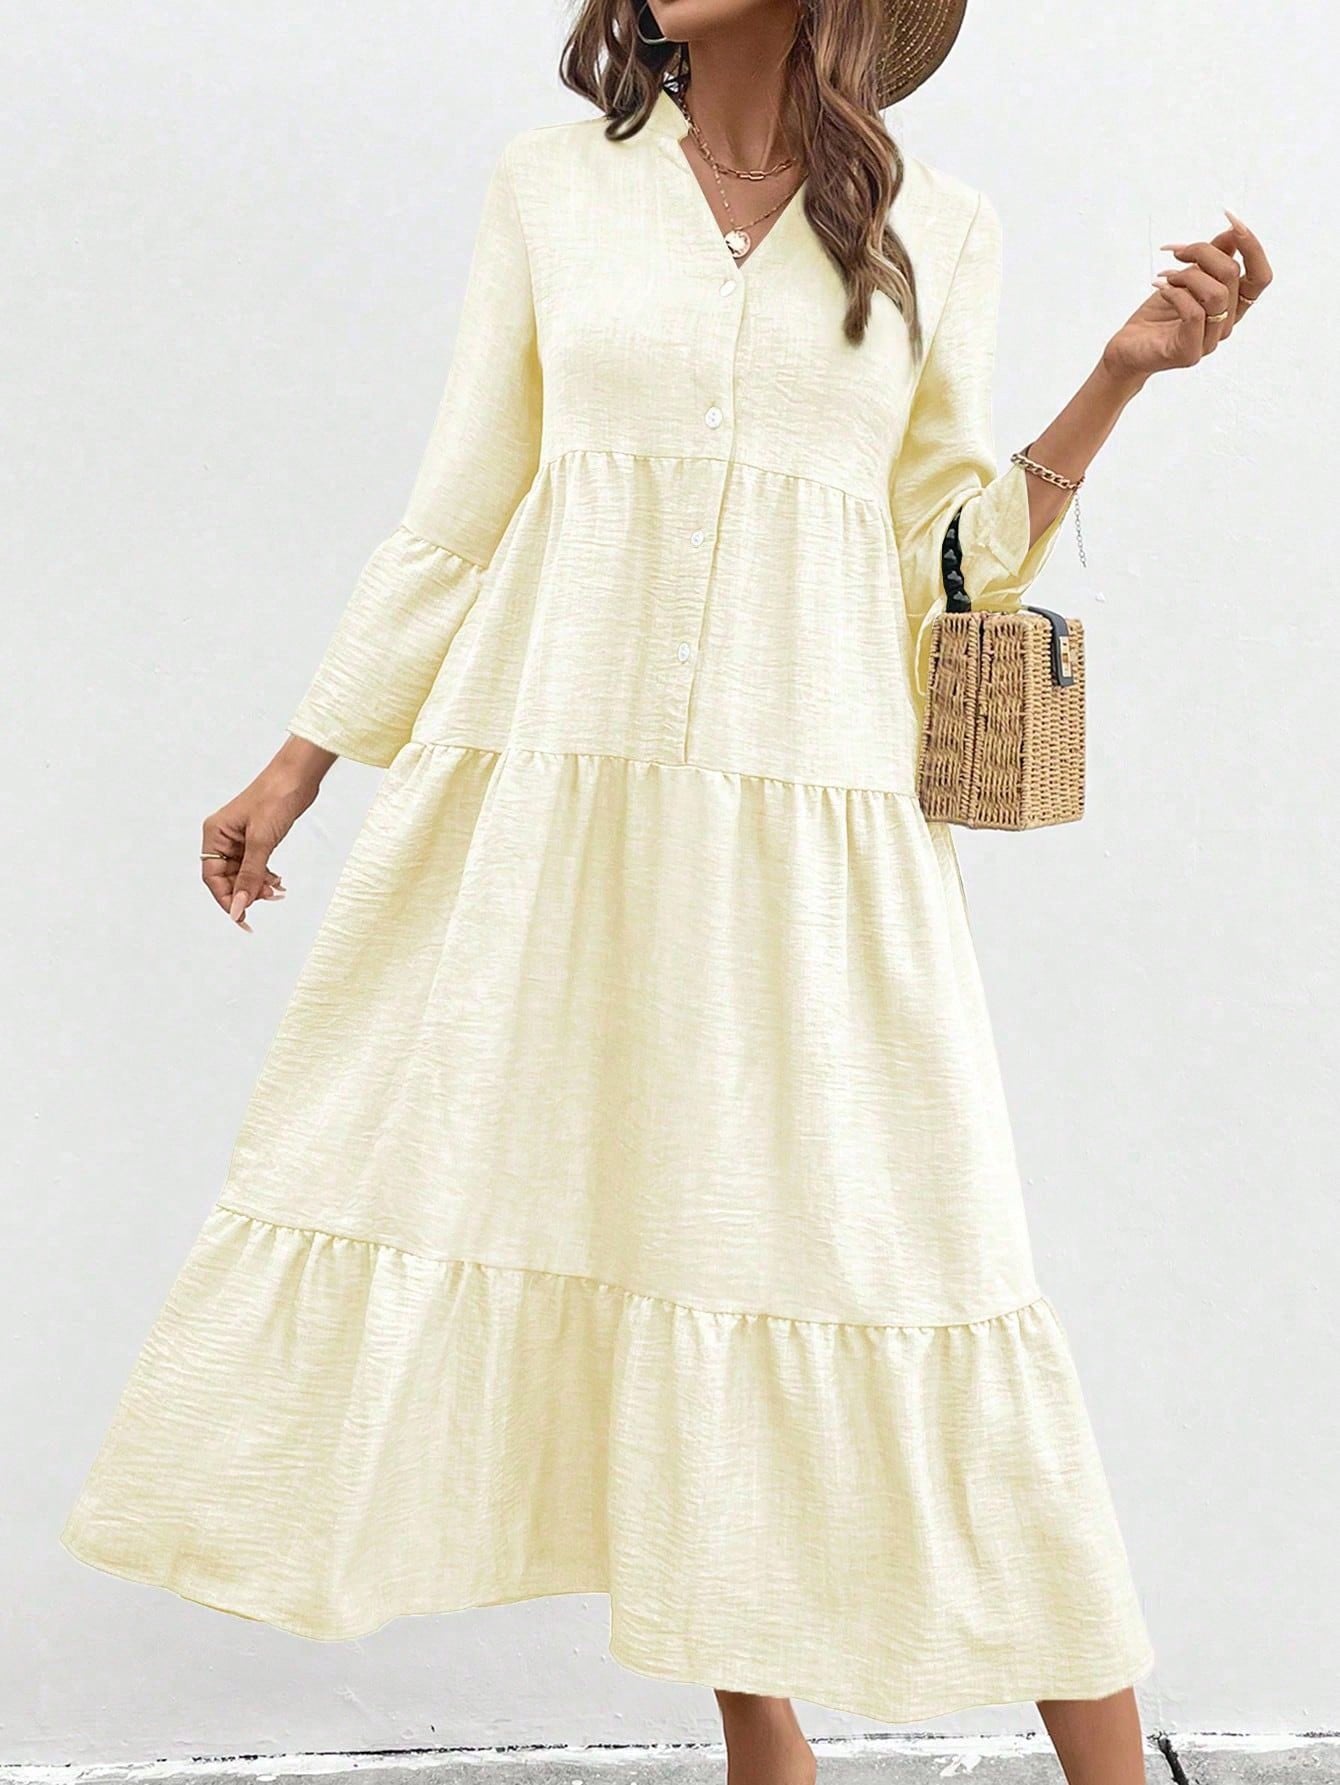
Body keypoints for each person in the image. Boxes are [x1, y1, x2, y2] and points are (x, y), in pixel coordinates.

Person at [63, 2, 1272, 1780]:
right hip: (571, 795)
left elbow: (946, 566)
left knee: (923, 1254)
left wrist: (1124, 375)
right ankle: (764, 1747)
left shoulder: (939, 230)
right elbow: (462, 509)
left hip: (822, 819)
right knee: (667, 1225)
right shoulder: (552, 191)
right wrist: (301, 759)